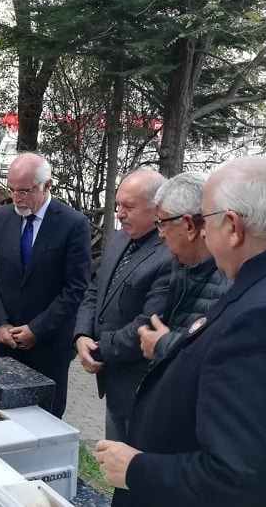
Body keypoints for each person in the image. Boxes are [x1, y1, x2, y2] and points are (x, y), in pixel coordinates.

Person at [98, 156, 266, 507]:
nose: (203, 233)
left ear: (234, 227)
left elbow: (242, 477)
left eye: (206, 221)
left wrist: (136, 469)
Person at [0, 153, 91, 418]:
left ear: (47, 185)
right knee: (3, 419)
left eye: (24, 191)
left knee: (45, 423)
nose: (16, 197)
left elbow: (75, 288)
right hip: (5, 343)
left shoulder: (73, 224)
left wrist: (37, 329)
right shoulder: (0, 219)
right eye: (12, 189)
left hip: (49, 349)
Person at [74, 169, 172, 441]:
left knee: (133, 472)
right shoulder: (120, 239)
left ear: (157, 210)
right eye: (118, 205)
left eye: (128, 207)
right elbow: (95, 290)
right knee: (116, 471)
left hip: (140, 387)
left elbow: (148, 323)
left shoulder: (168, 254)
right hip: (112, 382)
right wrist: (81, 336)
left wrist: (97, 349)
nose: (119, 214)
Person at [138, 172, 229, 363]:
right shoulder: (185, 266)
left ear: (189, 226)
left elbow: (223, 355)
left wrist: (164, 345)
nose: (160, 234)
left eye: (162, 223)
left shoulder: (229, 280)